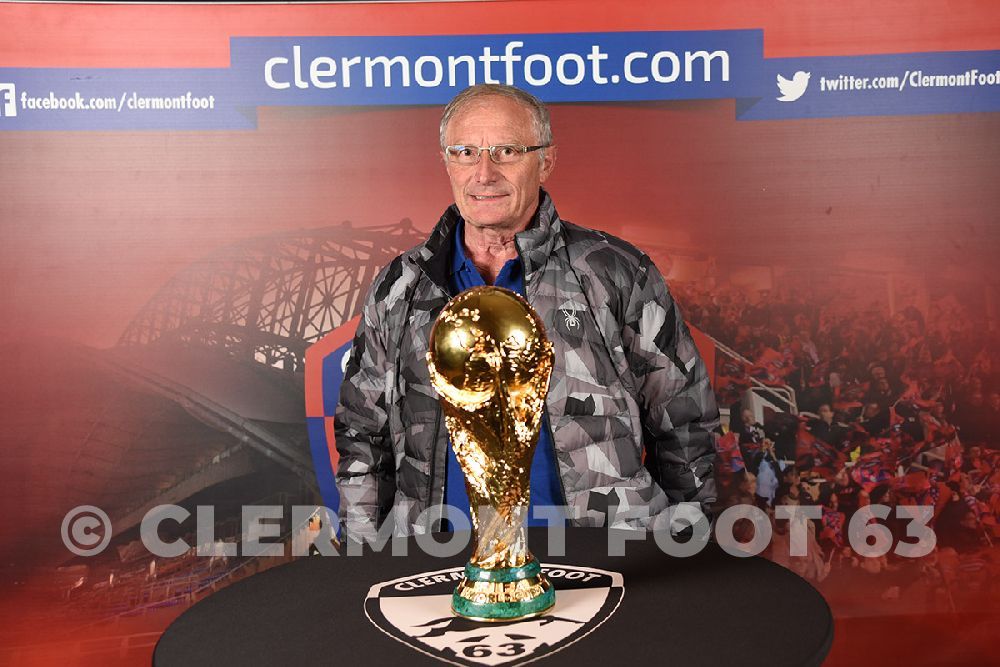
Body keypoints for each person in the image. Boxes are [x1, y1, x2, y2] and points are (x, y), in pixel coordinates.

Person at [335, 84, 719, 543]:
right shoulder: (399, 286)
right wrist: (364, 555)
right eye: (465, 152)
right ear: (446, 161)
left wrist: (689, 546)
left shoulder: (614, 270)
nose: (484, 173)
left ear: (546, 160)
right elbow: (362, 432)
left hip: (603, 553)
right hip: (435, 556)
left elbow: (682, 420)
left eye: (507, 151)